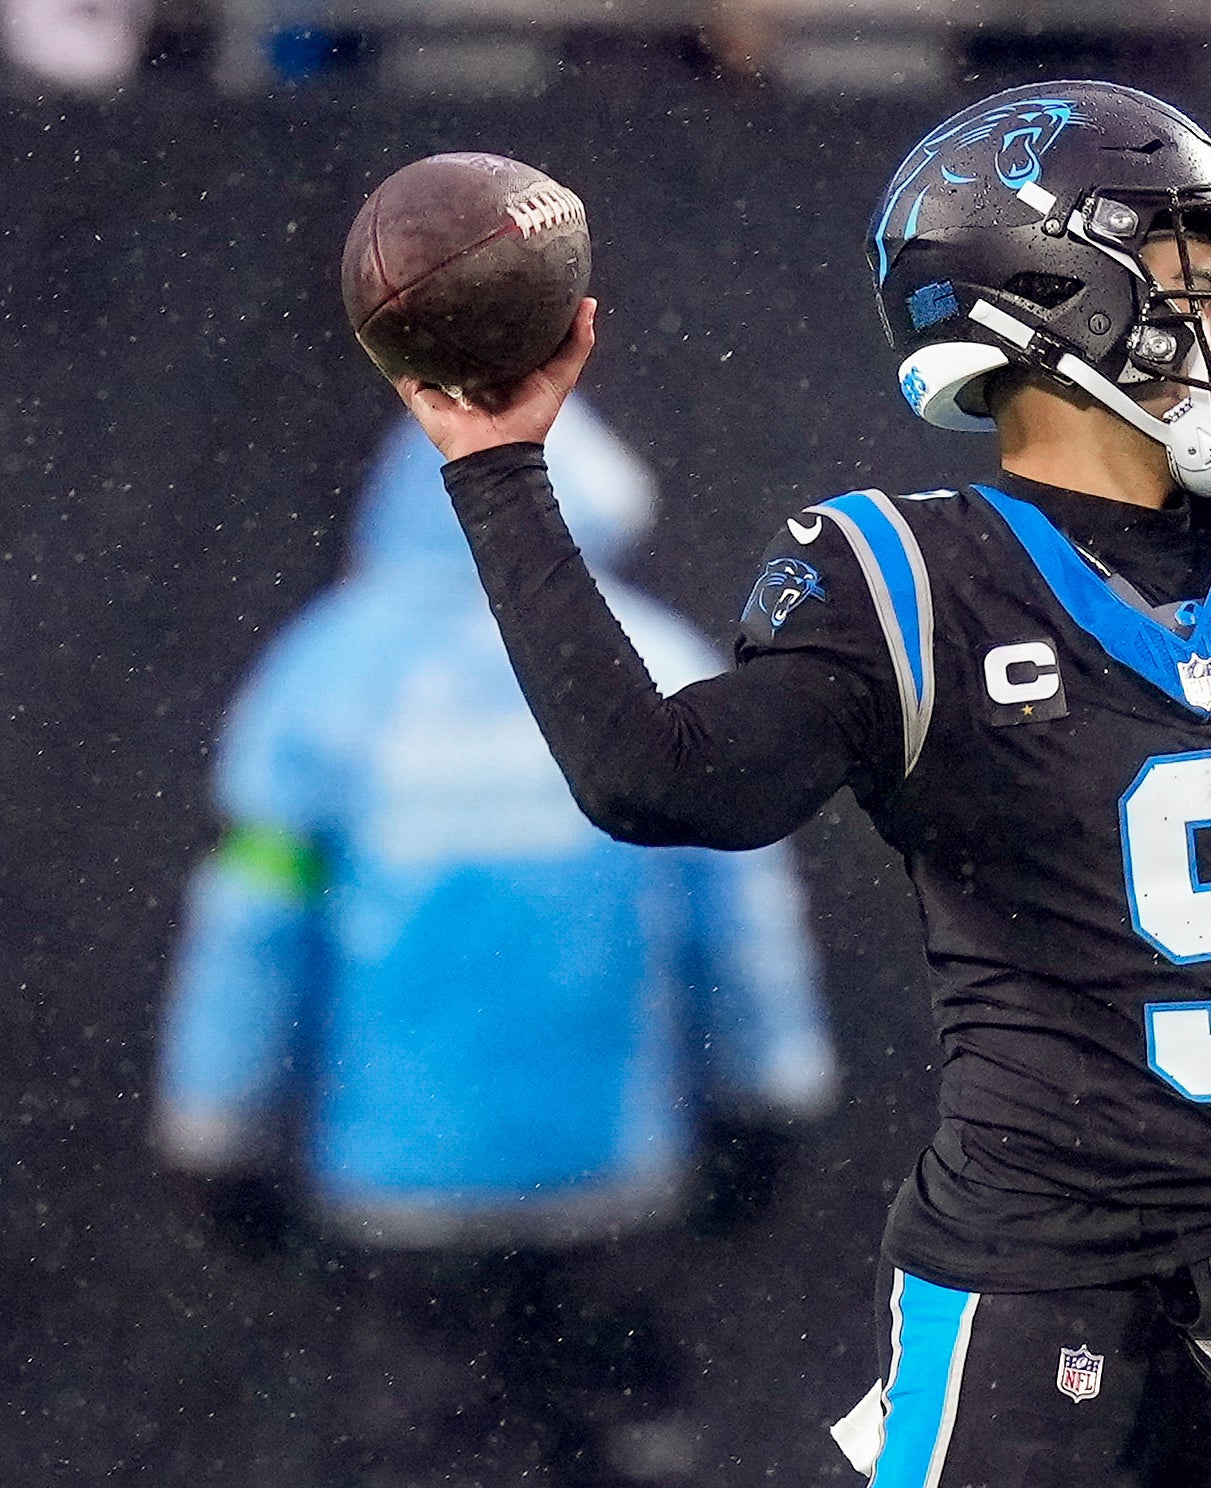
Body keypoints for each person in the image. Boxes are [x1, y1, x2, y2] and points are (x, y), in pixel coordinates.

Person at [391, 79, 1211, 1488]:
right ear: (1056, 301)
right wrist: (500, 469)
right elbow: (659, 782)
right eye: (1193, 289)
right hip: (1029, 1293)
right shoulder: (904, 581)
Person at [155, 399, 838, 1488]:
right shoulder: (653, 664)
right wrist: (771, 1099)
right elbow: (740, 921)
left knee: (412, 1453)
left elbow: (251, 926)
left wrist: (216, 1128)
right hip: (608, 1172)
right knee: (619, 1450)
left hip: (399, 1187)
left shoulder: (323, 681)